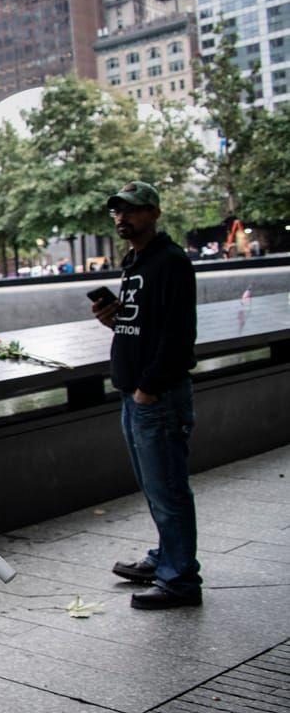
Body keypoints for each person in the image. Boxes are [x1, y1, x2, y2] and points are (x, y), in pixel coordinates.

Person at [90, 181, 200, 609]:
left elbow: (177, 336)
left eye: (131, 211)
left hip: (158, 398)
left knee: (169, 489)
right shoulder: (135, 261)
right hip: (135, 395)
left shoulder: (170, 263)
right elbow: (141, 326)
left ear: (154, 212)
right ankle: (167, 558)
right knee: (156, 488)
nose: (122, 218)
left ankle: (180, 580)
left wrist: (148, 391)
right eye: (117, 211)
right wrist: (113, 320)